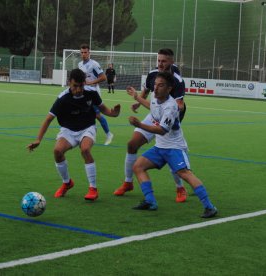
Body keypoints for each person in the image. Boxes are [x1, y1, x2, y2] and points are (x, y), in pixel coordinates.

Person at [127, 71, 217, 218]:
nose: (155, 88)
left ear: (169, 89)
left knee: (184, 174)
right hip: (160, 147)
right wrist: (137, 96)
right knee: (138, 166)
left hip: (174, 148)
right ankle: (150, 201)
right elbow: (152, 106)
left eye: (160, 85)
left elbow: (161, 130)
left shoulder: (171, 106)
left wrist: (139, 124)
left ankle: (209, 207)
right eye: (155, 84)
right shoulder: (156, 99)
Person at [27, 68, 120, 201]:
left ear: (84, 83)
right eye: (75, 86)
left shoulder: (91, 93)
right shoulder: (63, 98)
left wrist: (114, 113)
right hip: (68, 130)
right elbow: (48, 119)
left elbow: (103, 109)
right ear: (69, 83)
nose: (78, 89)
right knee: (57, 151)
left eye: (81, 85)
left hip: (87, 127)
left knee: (85, 149)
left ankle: (93, 188)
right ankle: (67, 183)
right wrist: (38, 140)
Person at [114, 48, 188, 202]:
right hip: (154, 114)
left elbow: (180, 105)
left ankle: (180, 188)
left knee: (170, 153)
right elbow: (147, 90)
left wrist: (171, 111)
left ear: (171, 62)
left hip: (169, 121)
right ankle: (128, 182)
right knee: (132, 144)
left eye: (164, 61)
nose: (160, 64)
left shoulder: (177, 80)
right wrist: (138, 102)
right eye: (159, 61)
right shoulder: (153, 74)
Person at [78, 44, 114, 146]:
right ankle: (87, 132)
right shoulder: (80, 64)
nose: (83, 54)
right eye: (82, 52)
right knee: (83, 112)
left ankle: (109, 134)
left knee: (97, 115)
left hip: (93, 93)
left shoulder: (94, 64)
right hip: (83, 92)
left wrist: (91, 82)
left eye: (85, 52)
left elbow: (103, 77)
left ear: (89, 53)